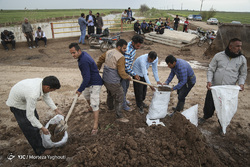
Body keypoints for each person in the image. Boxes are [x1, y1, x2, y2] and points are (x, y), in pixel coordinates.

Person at [6, 76, 62, 155]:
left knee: (36, 122)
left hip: (24, 98)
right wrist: (42, 128)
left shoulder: (44, 83)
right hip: (18, 105)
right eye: (52, 90)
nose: (52, 91)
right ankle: (40, 151)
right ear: (47, 87)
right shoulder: (33, 94)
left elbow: (46, 97)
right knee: (29, 128)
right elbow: (30, 116)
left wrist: (55, 109)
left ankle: (38, 139)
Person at [199, 38, 247, 124]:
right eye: (237, 46)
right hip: (214, 87)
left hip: (228, 90)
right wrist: (209, 81)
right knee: (209, 104)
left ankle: (222, 124)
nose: (239, 48)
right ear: (230, 46)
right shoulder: (219, 56)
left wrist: (241, 83)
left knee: (224, 108)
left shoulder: (242, 59)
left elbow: (242, 74)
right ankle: (206, 116)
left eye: (240, 46)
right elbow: (211, 69)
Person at [69, 43, 103, 135]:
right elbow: (87, 76)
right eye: (71, 53)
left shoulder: (83, 61)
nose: (73, 55)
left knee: (94, 101)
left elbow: (87, 77)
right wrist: (82, 89)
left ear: (79, 51)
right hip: (88, 81)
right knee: (86, 94)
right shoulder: (82, 55)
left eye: (74, 53)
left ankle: (95, 125)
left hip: (95, 82)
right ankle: (91, 108)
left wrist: (79, 89)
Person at [96, 39, 131, 123]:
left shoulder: (109, 51)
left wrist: (97, 68)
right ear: (119, 47)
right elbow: (121, 72)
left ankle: (110, 107)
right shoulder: (120, 57)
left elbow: (100, 59)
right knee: (120, 96)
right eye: (124, 48)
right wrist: (128, 77)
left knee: (110, 93)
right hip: (113, 81)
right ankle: (119, 116)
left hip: (105, 79)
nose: (125, 50)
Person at [121, 35, 144, 111]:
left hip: (127, 72)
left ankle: (124, 100)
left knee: (126, 86)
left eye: (139, 46)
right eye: (137, 46)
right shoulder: (127, 50)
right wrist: (134, 74)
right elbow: (126, 66)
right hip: (123, 72)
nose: (138, 48)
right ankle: (123, 105)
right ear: (133, 43)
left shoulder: (133, 47)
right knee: (123, 88)